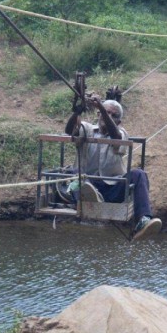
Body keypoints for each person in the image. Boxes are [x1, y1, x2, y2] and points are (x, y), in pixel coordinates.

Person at [64, 95, 157, 235]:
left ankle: (143, 219)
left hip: (112, 187)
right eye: (106, 113)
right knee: (75, 172)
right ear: (98, 115)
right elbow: (69, 130)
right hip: (87, 183)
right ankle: (89, 193)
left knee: (139, 174)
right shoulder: (88, 129)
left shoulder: (121, 133)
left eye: (114, 115)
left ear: (119, 121)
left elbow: (116, 137)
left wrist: (101, 107)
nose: (109, 117)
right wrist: (77, 111)